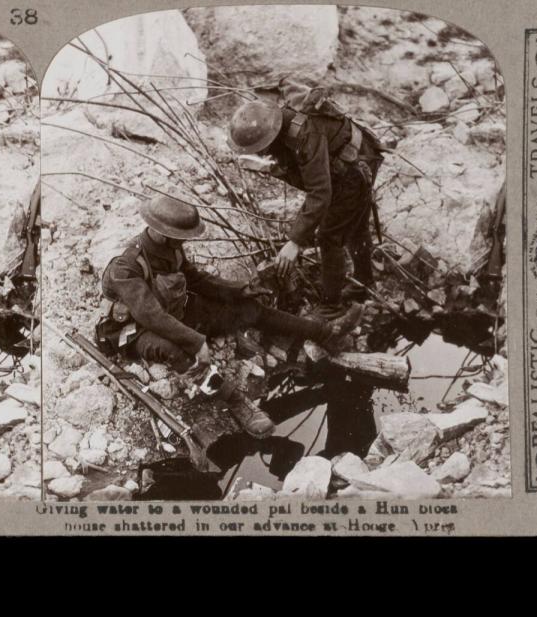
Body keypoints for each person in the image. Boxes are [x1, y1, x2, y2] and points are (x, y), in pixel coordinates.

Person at [98, 195, 362, 437]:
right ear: (160, 232)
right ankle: (236, 402)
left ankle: (327, 334)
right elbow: (150, 315)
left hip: (173, 312)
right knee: (176, 351)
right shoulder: (126, 267)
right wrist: (196, 341)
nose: (184, 241)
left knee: (249, 309)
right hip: (135, 331)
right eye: (179, 235)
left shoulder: (171, 249)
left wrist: (241, 289)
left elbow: (197, 280)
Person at [226, 89, 383, 314]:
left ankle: (331, 306)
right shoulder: (281, 124)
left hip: (357, 167)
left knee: (329, 236)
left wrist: (296, 242)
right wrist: (275, 169)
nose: (260, 153)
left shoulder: (306, 135)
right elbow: (304, 170)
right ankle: (364, 284)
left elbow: (320, 191)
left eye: (260, 149)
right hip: (347, 163)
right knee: (355, 226)